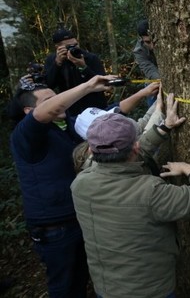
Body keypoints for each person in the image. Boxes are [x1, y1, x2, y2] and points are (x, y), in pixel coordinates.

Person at [71, 94, 190, 298]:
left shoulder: (81, 182)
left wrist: (164, 128)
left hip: (106, 288)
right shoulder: (150, 192)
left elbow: (126, 157)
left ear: (91, 149)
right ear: (135, 146)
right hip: (148, 291)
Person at [8, 73, 117, 297]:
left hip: (79, 216)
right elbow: (43, 114)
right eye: (48, 100)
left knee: (83, 277)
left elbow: (109, 116)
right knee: (64, 285)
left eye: (55, 97)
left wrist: (146, 93)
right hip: (54, 226)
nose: (59, 102)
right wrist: (87, 87)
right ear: (29, 111)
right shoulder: (25, 134)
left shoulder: (65, 125)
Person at [44, 28, 107, 116]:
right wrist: (57, 63)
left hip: (95, 107)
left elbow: (103, 83)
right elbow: (48, 85)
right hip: (70, 109)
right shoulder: (52, 60)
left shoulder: (90, 58)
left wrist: (83, 67)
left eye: (75, 45)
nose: (74, 48)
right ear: (58, 47)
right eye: (69, 46)